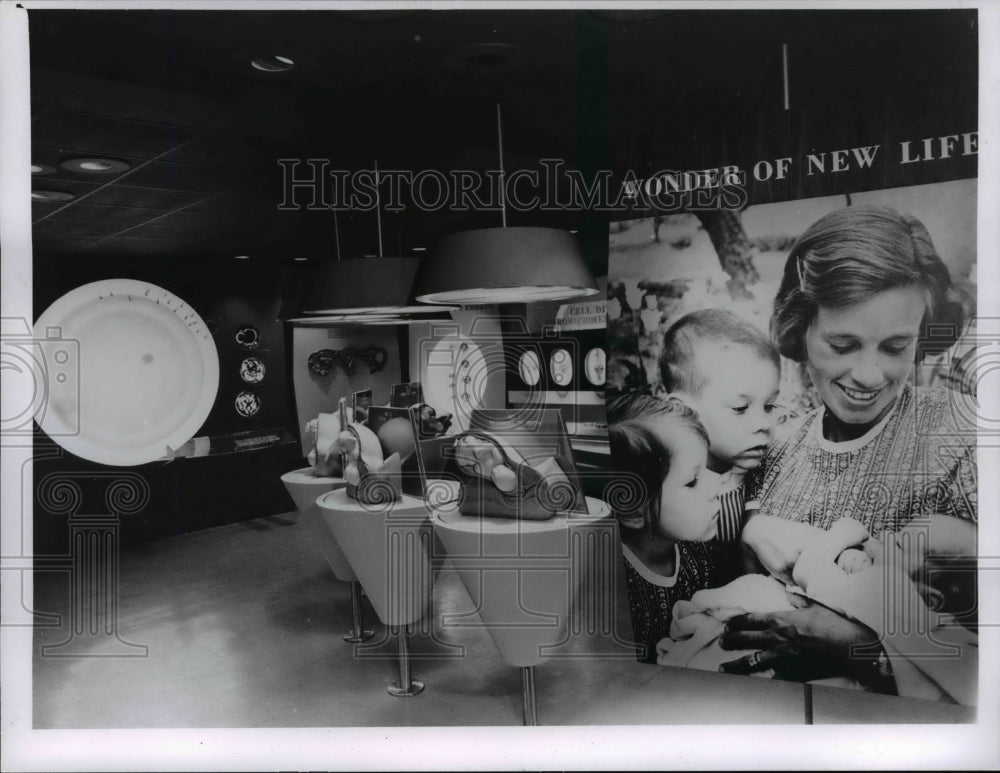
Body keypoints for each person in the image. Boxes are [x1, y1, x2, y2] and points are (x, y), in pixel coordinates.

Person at [718, 204, 977, 695]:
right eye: (843, 345)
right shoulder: (776, 446)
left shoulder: (961, 433)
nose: (869, 375)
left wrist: (863, 652)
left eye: (896, 346)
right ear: (801, 328)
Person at [659, 309, 781, 577]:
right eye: (740, 408)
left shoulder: (769, 475)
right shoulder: (667, 491)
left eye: (770, 405)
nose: (763, 423)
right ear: (684, 411)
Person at [607, 394, 723, 662]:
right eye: (693, 481)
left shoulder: (701, 555)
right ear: (634, 509)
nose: (716, 486)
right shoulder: (615, 588)